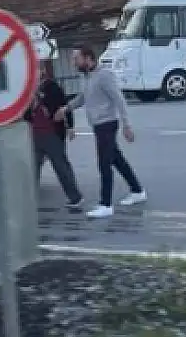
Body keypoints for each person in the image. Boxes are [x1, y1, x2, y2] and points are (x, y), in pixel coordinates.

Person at [59, 44, 145, 218]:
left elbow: (119, 99)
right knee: (117, 160)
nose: (73, 62)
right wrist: (66, 108)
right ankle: (137, 190)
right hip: (98, 125)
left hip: (107, 123)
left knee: (104, 164)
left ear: (88, 58)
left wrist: (126, 125)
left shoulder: (104, 75)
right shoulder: (87, 76)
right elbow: (83, 97)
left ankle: (106, 204)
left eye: (76, 58)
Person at [26, 64, 84, 212]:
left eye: (37, 70)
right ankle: (28, 198)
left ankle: (75, 197)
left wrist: (70, 126)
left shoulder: (52, 87)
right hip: (35, 133)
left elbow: (64, 106)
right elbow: (26, 114)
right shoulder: (28, 90)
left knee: (60, 165)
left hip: (52, 132)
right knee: (32, 167)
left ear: (43, 71)